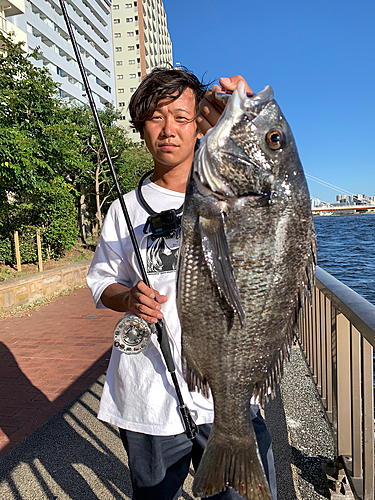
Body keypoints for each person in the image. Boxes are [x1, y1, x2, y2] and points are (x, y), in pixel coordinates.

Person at [87, 67, 277, 500]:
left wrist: (245, 116)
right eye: (156, 117)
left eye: (181, 117)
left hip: (225, 392)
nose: (168, 129)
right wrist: (129, 298)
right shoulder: (124, 209)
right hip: (147, 395)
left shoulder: (232, 193)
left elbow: (275, 186)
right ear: (141, 128)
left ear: (199, 126)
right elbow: (101, 282)